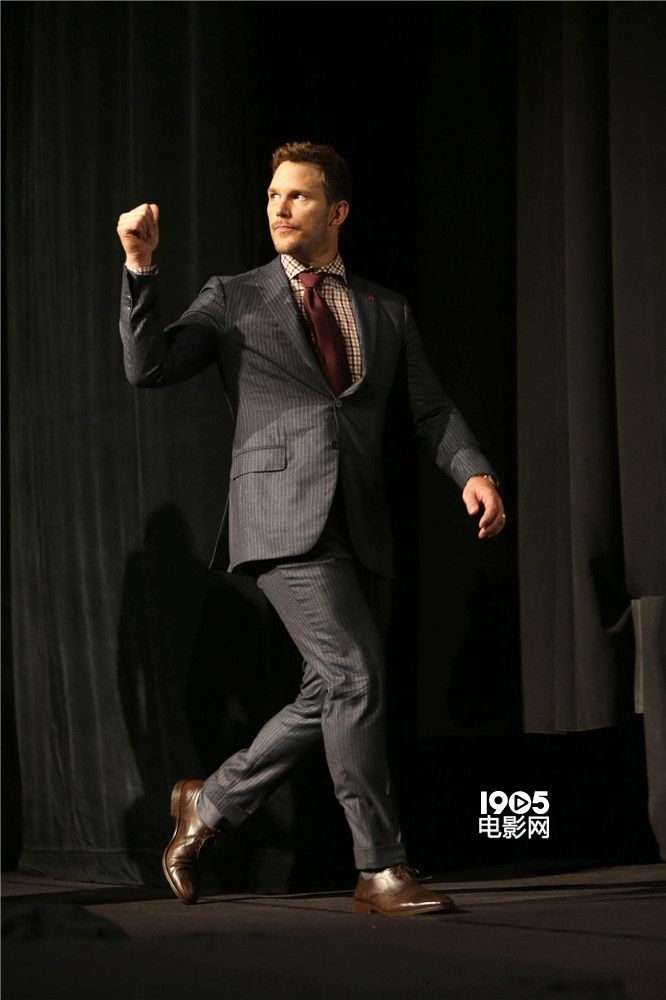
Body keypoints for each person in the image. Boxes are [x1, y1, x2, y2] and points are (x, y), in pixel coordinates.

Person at [116, 140, 506, 916]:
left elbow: (429, 409)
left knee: (329, 690)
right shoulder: (235, 295)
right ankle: (380, 867)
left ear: (338, 211)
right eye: (272, 195)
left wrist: (473, 471)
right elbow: (148, 366)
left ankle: (209, 802)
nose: (279, 207)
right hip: (279, 518)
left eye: (296, 196)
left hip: (361, 522)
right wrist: (139, 268)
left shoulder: (385, 309)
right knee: (356, 676)